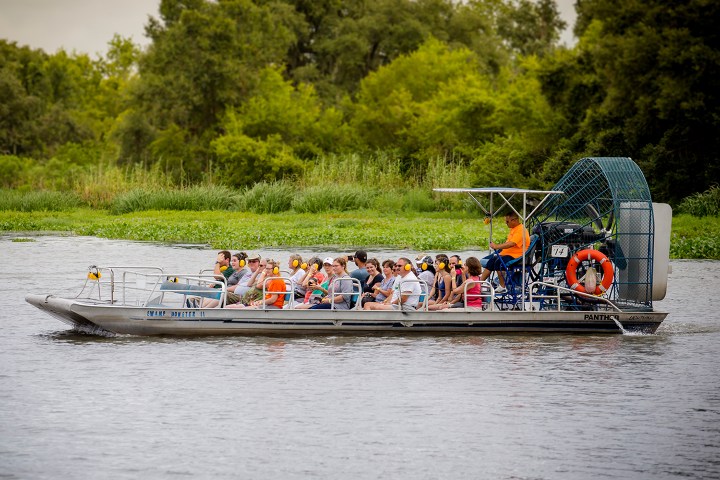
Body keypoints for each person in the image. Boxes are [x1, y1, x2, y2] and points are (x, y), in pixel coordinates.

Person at [480, 212, 531, 293]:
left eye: (507, 221)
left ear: (514, 220)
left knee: (499, 263)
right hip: (506, 254)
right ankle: (479, 283)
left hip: (516, 256)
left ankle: (502, 286)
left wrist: (497, 246)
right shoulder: (513, 229)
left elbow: (512, 243)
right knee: (491, 262)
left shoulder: (521, 230)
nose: (506, 223)